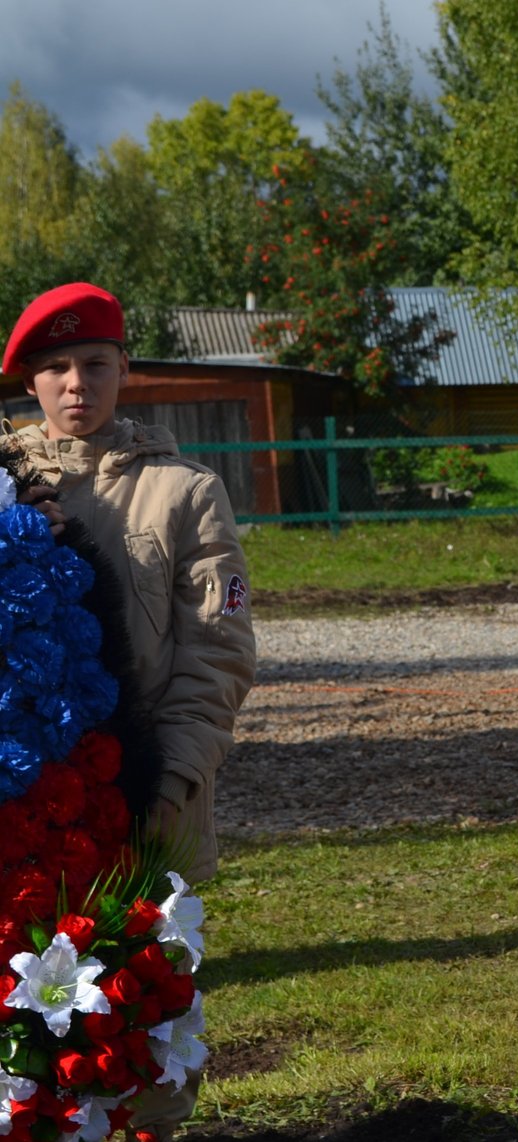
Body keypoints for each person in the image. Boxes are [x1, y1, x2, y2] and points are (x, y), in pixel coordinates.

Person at [0, 282, 257, 1142]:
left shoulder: (183, 492)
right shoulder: (2, 488)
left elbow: (218, 648)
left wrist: (174, 775)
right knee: (24, 1043)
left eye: (96, 365)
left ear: (124, 372)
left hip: (147, 808)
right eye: (57, 368)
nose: (78, 384)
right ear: (30, 383)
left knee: (138, 1034)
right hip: (20, 807)